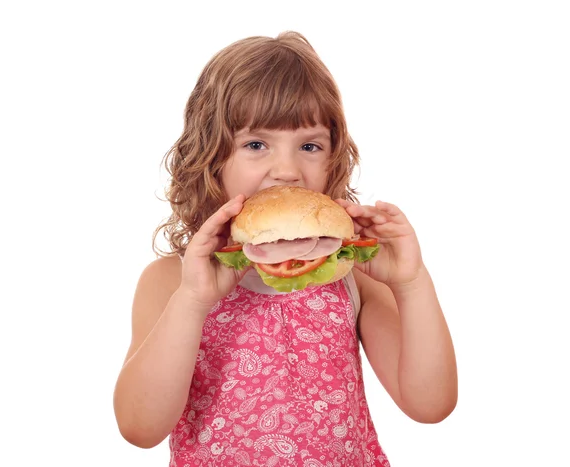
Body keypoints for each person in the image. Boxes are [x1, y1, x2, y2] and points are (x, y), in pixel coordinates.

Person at [113, 31, 457, 466]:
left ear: (334, 159)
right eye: (256, 145)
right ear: (210, 158)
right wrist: (192, 301)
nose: (287, 170)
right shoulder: (171, 281)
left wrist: (410, 282)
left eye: (309, 146)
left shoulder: (351, 278)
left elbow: (430, 405)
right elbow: (139, 428)